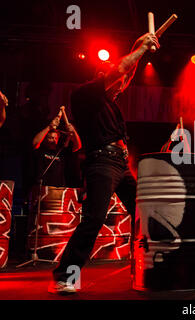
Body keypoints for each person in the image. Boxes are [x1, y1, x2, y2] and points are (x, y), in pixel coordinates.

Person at [49, 33, 160, 294]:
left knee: (144, 214)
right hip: (101, 163)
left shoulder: (111, 102)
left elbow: (126, 73)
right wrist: (140, 49)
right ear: (101, 78)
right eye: (114, 79)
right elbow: (120, 69)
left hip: (120, 165)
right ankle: (65, 275)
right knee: (94, 218)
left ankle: (150, 267)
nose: (121, 83)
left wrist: (141, 47)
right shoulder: (84, 95)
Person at [31, 112, 81, 187]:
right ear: (45, 139)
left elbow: (78, 146)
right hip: (43, 188)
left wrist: (73, 131)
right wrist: (49, 127)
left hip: (58, 189)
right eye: (51, 138)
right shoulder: (41, 150)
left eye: (55, 138)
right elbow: (35, 142)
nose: (54, 140)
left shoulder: (61, 150)